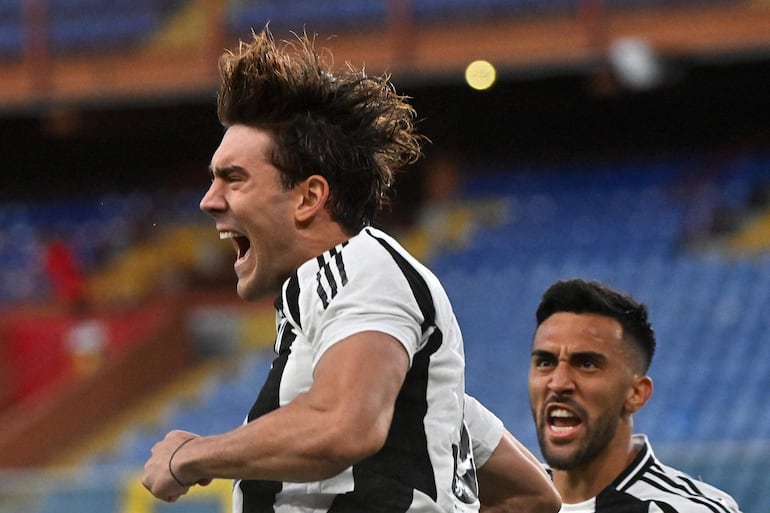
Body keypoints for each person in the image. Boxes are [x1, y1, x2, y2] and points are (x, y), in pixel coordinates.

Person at [142, 27, 560, 513]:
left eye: (233, 179)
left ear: (308, 197)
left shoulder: (362, 269)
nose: (209, 201)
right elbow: (531, 496)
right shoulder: (358, 344)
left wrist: (194, 456)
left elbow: (343, 426)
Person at [528, 278, 742, 512]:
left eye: (586, 364)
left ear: (636, 394)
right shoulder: (500, 499)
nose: (558, 383)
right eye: (545, 362)